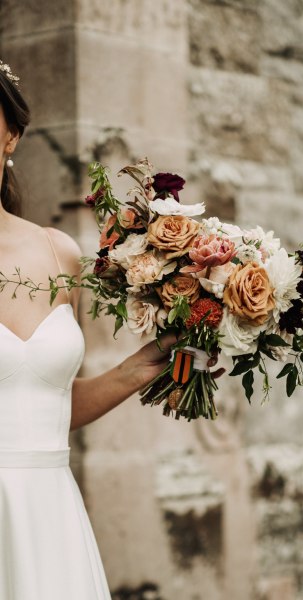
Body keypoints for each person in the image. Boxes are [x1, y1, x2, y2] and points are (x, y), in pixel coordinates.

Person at [0, 62, 222, 599]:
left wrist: (136, 370)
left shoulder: (59, 253)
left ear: (11, 133)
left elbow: (41, 406)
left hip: (51, 510)